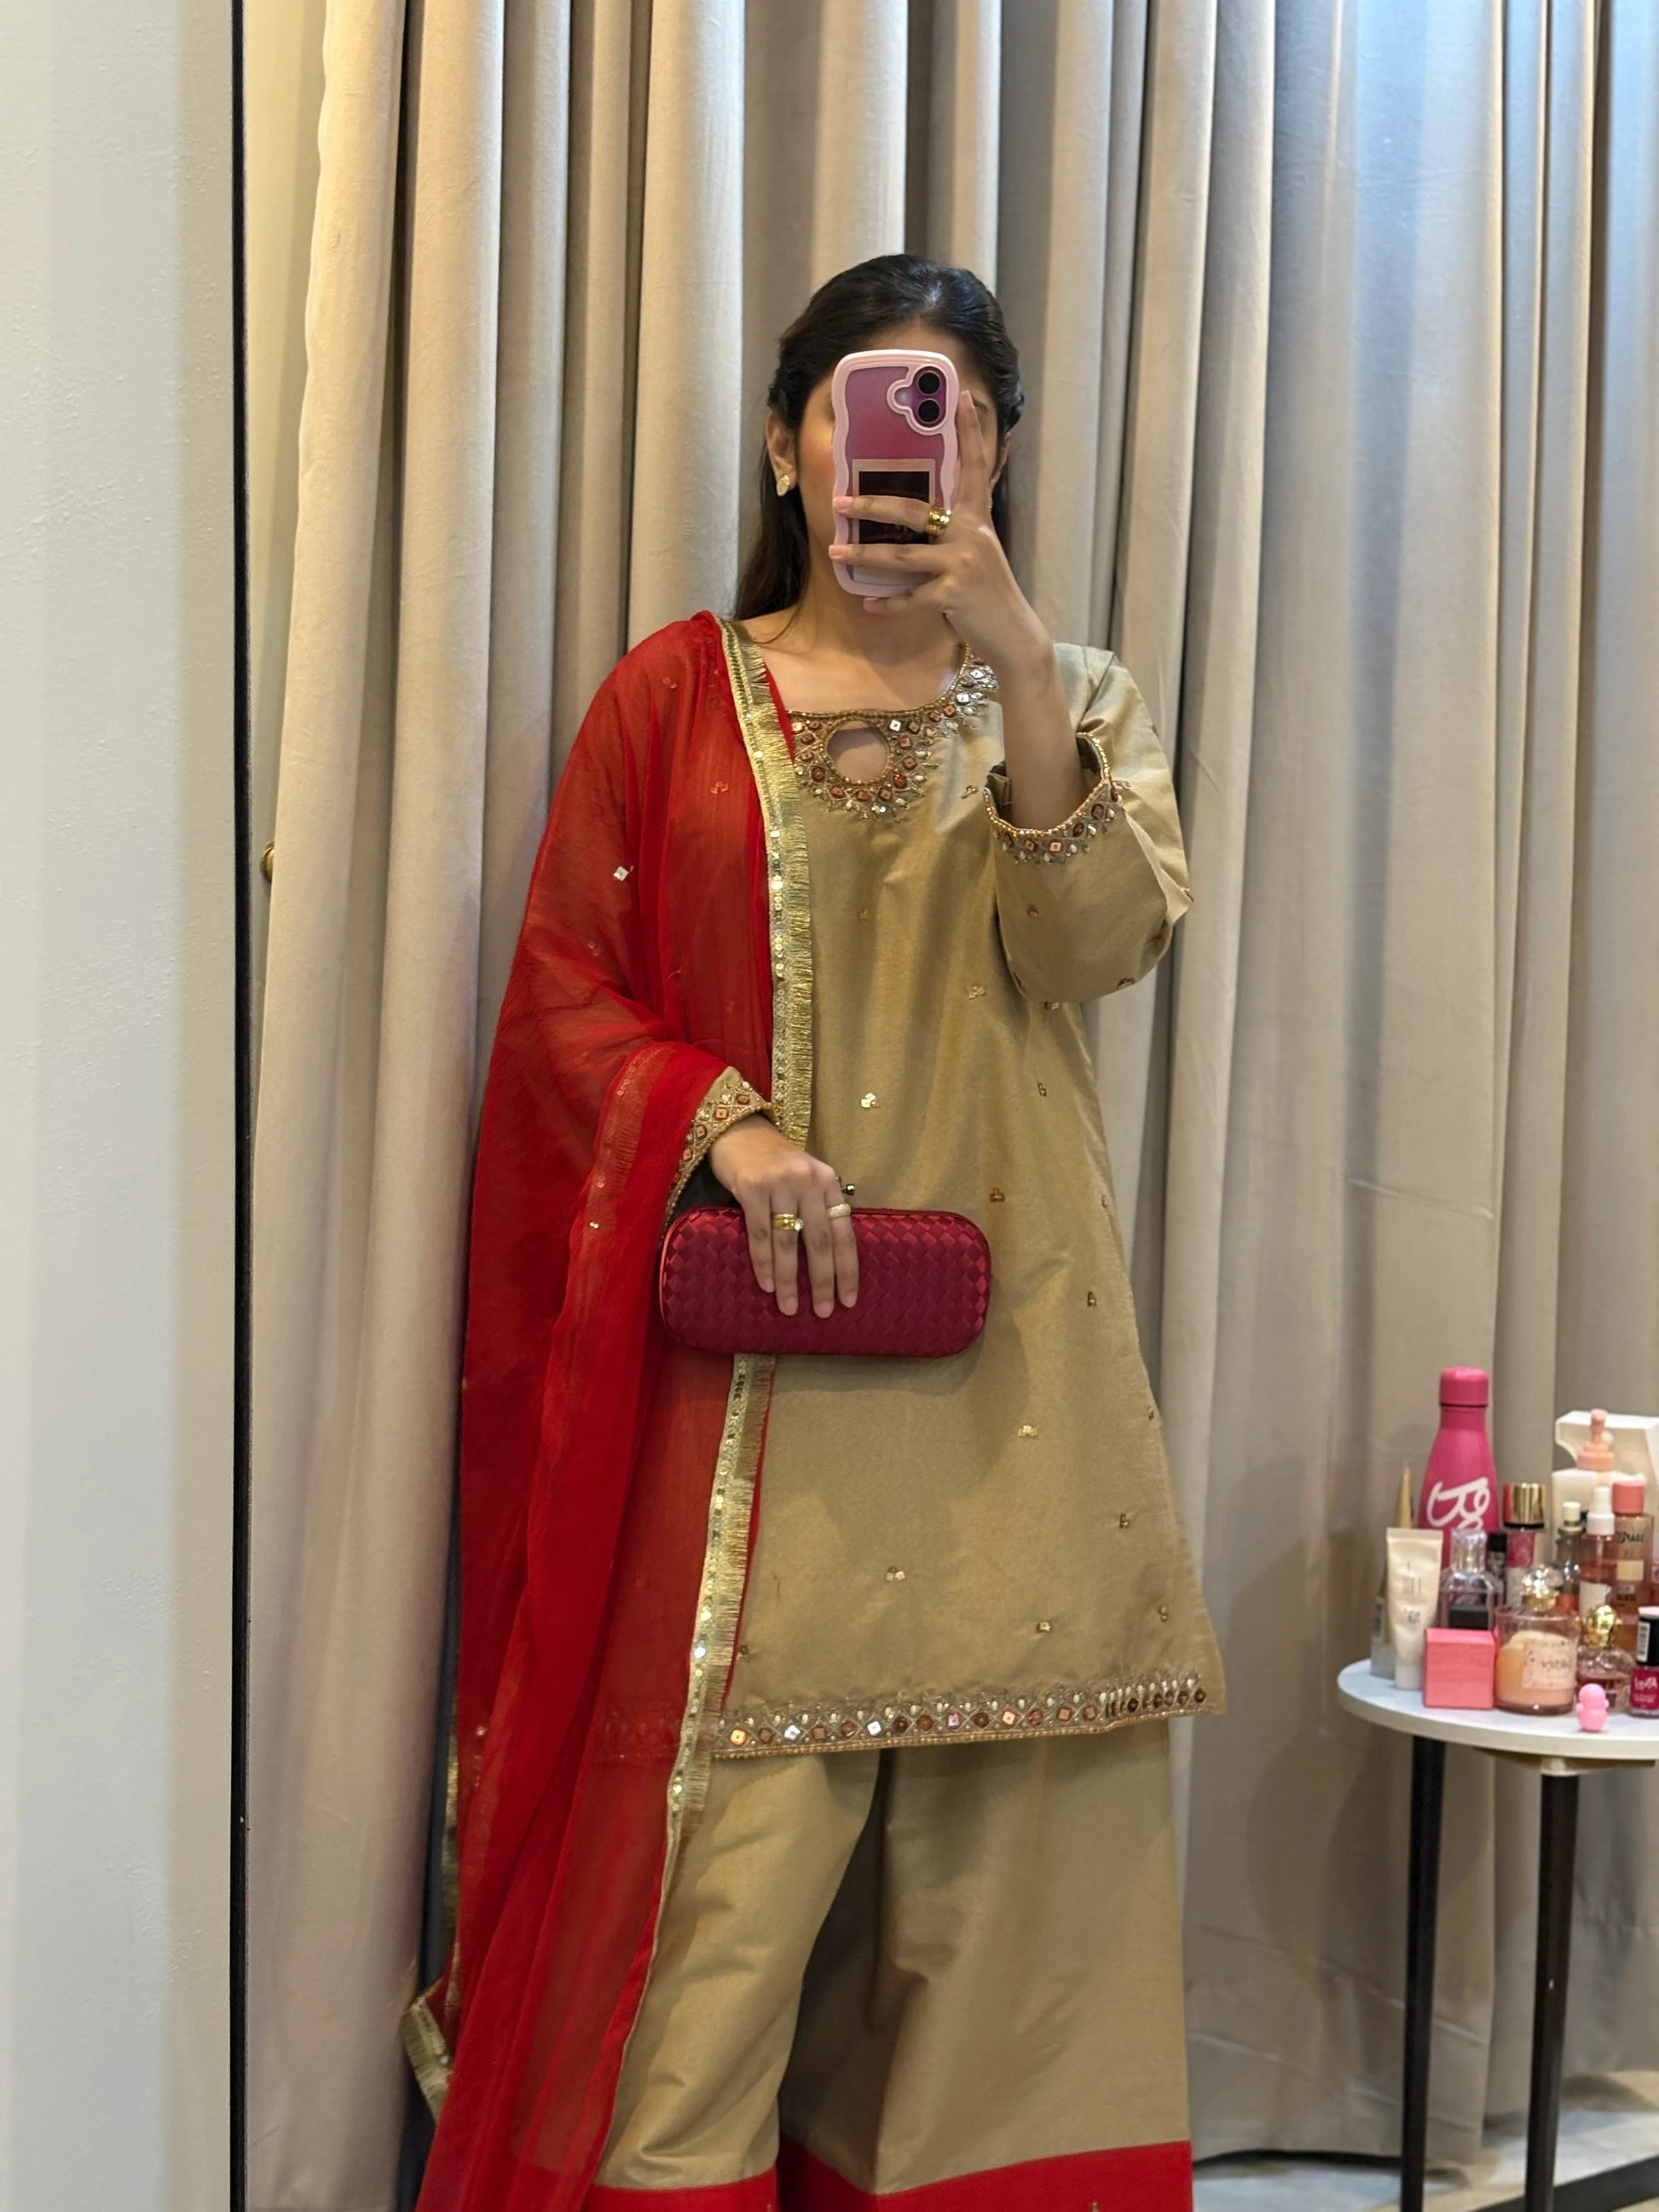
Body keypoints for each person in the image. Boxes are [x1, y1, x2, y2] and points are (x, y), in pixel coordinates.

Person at [408, 254, 1223, 2212]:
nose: (904, 449)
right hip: (748, 1441)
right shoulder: (676, 696)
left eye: (957, 412)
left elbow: (1091, 941)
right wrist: (728, 1122)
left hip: (1013, 1410)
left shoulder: (1078, 698)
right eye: (866, 404)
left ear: (998, 456)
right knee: (701, 1970)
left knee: (1007, 1995)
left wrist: (1018, 661)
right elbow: (562, 1002)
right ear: (788, 443)